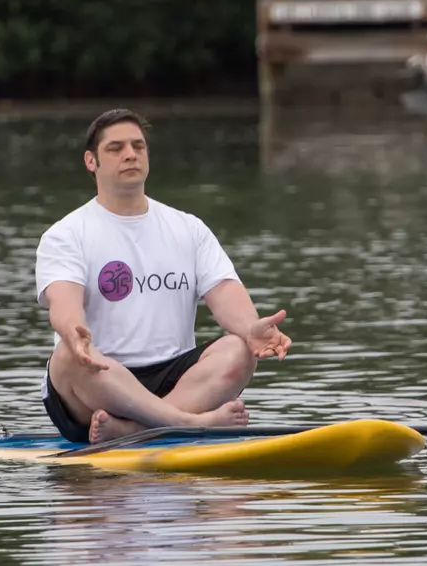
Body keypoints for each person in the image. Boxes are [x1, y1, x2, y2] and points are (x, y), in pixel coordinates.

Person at [34, 108, 292, 444]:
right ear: (91, 161)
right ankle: (186, 422)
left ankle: (136, 431)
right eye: (115, 148)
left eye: (138, 146)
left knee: (239, 350)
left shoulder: (188, 228)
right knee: (68, 353)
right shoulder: (66, 234)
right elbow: (64, 302)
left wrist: (251, 327)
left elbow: (225, 294)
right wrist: (72, 329)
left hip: (174, 380)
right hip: (96, 387)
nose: (130, 155)